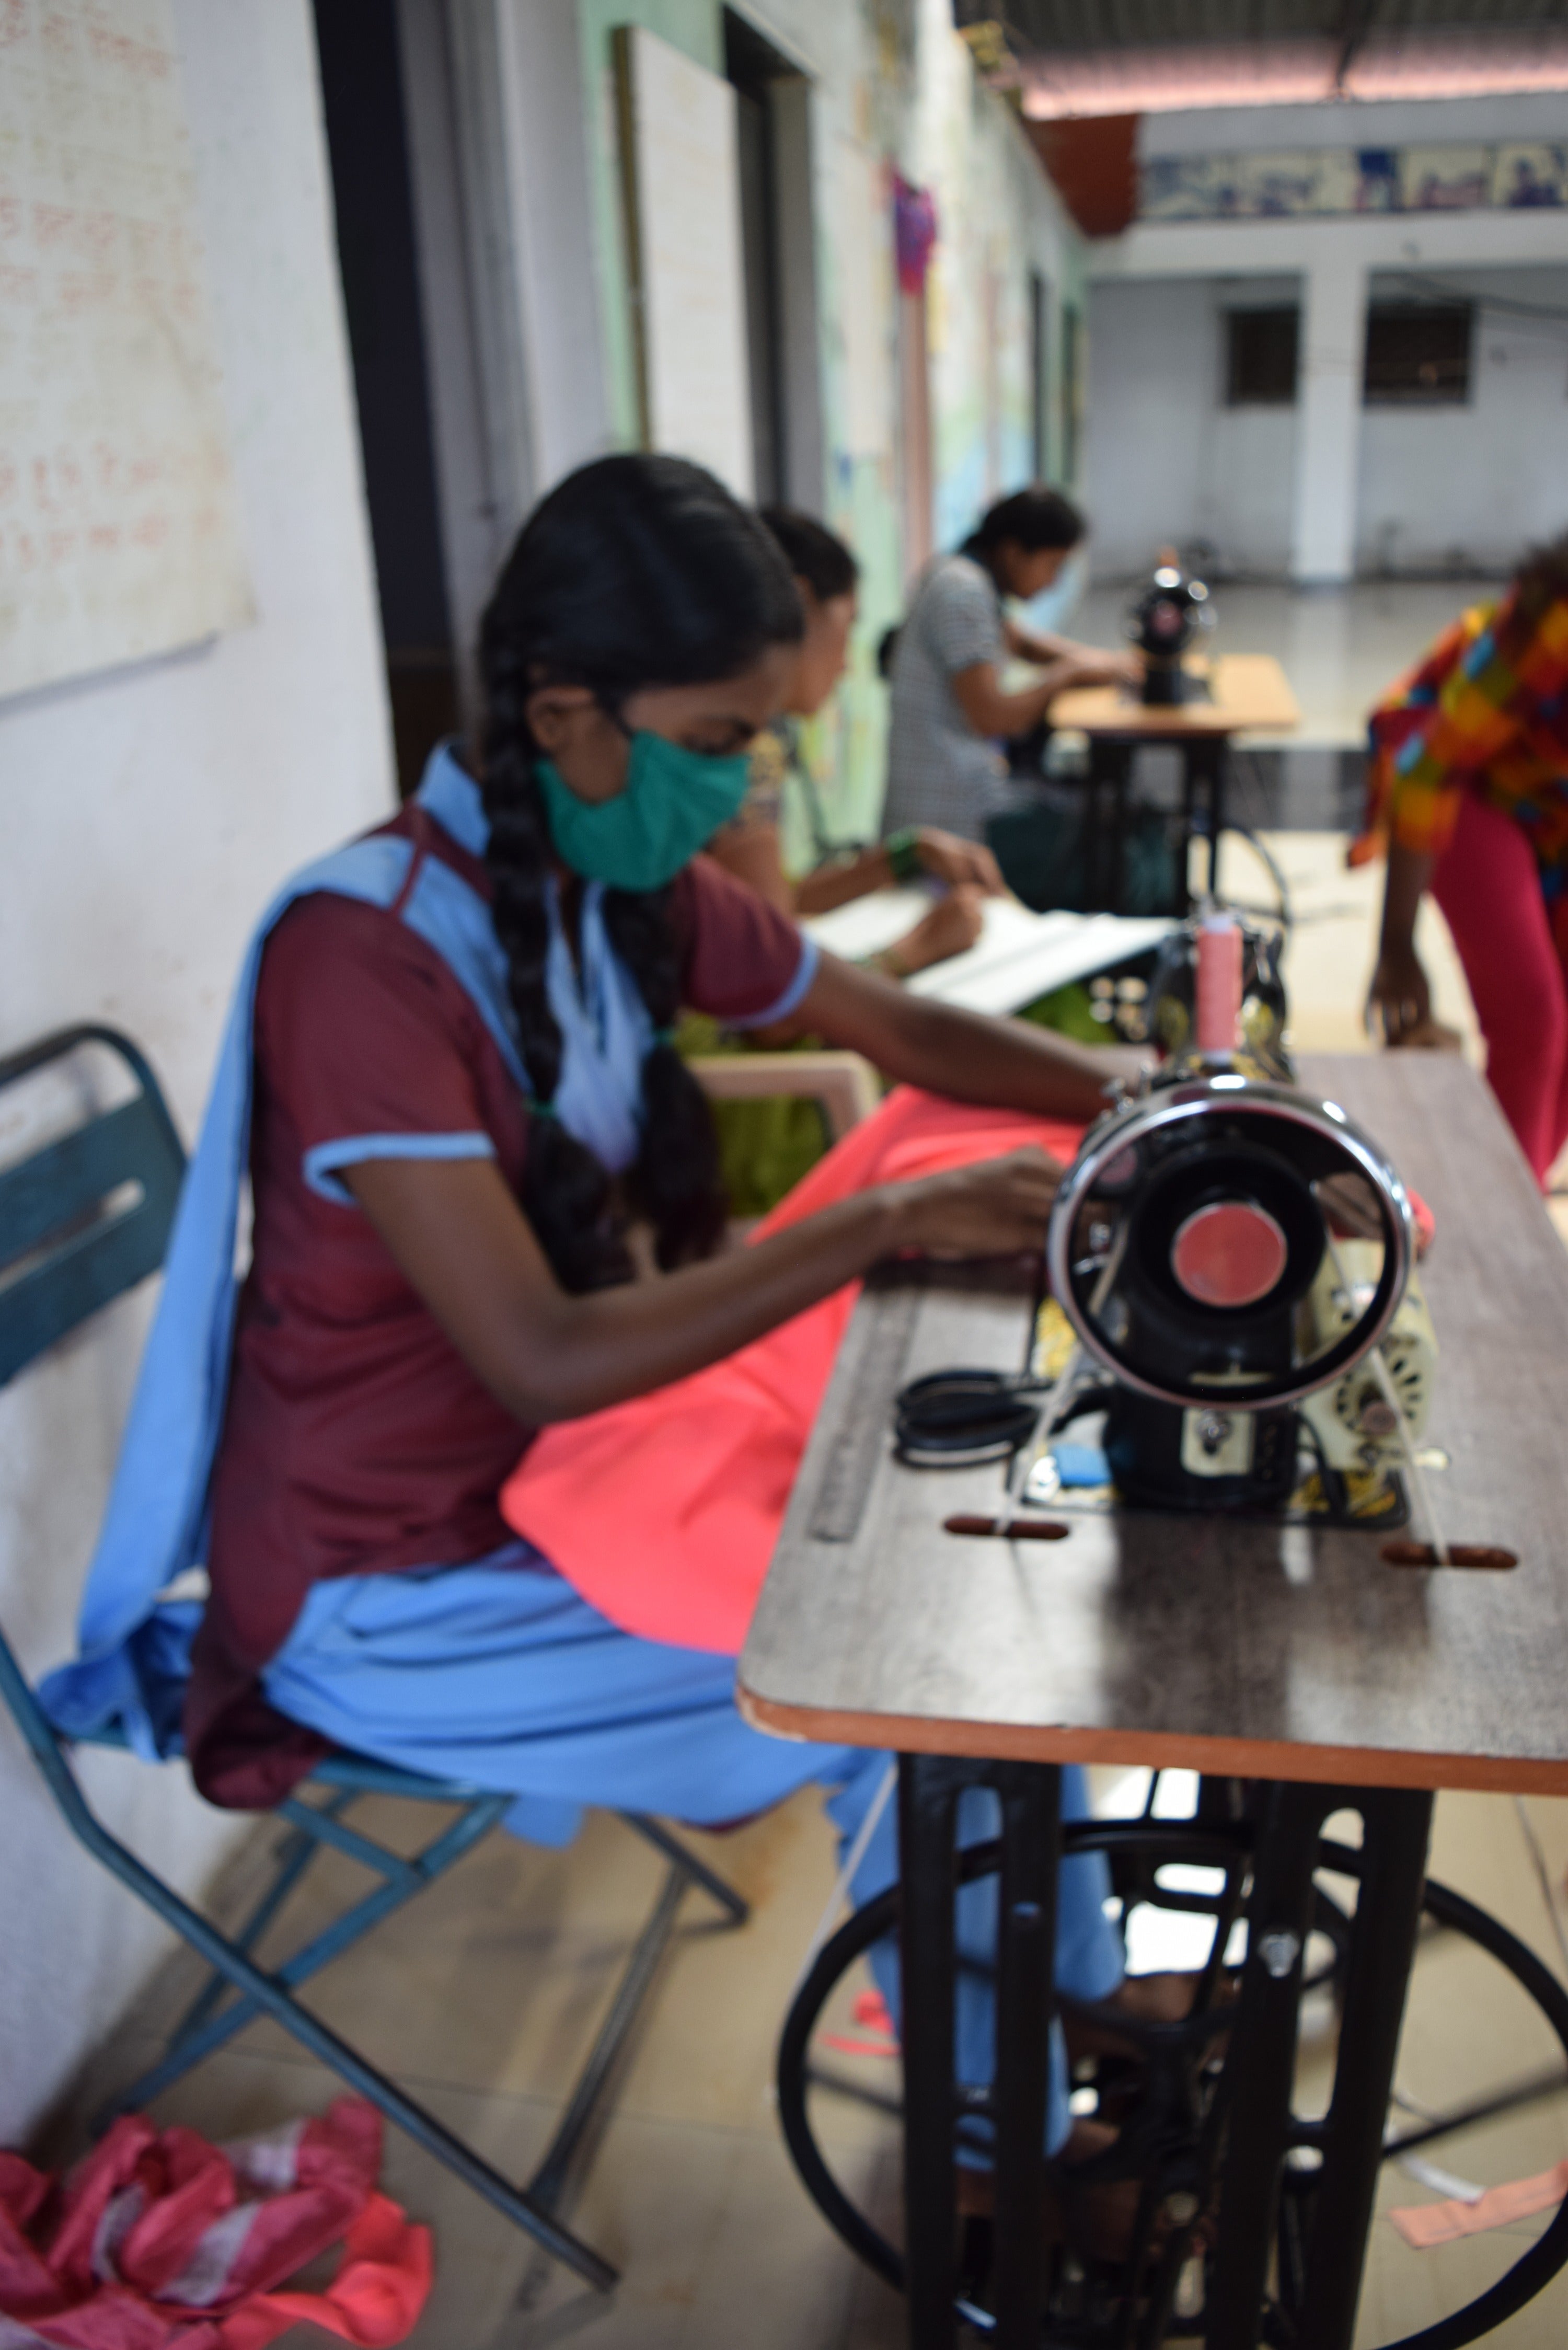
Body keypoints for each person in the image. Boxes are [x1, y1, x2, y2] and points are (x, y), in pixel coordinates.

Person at [48, 453, 1173, 2186]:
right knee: (921, 1680)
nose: (741, 782)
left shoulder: (603, 873)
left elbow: (898, 1025)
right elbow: (542, 1355)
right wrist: (881, 1220)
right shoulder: (364, 959)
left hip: (551, 1491)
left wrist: (1171, 1108)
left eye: (758, 739)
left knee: (968, 1597)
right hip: (386, 1590)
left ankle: (1071, 2004)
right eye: (718, 738)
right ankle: (1006, 2179)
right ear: (565, 710)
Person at [707, 505, 1006, 981]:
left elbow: (775, 904)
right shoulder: (741, 750)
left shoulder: (727, 735)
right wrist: (918, 949)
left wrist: (907, 854)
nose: (846, 666)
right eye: (848, 625)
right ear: (798, 605)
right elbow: (772, 996)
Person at [1360, 530, 1568, 1185]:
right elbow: (1430, 773)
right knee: (1532, 1015)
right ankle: (1499, 1213)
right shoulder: (1553, 629)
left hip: (1548, 792)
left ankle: (1517, 1186)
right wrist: (1397, 945)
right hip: (1457, 773)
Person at [881, 485, 1138, 848]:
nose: (1054, 582)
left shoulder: (964, 577)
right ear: (1014, 553)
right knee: (1117, 836)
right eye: (1053, 566)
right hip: (950, 820)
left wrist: (1104, 664)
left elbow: (1024, 644)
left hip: (956, 799)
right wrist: (1064, 677)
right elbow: (993, 718)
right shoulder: (963, 592)